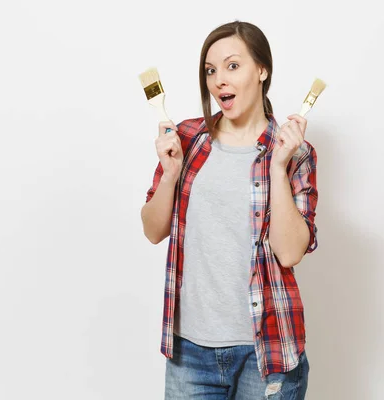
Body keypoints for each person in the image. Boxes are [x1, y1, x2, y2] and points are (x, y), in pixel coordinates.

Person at [141, 20, 319, 400]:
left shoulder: (295, 152)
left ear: (262, 70)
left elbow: (289, 252)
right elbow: (153, 230)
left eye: (232, 66)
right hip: (190, 352)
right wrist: (171, 175)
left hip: (268, 350)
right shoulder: (186, 139)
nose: (219, 79)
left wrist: (277, 166)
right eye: (210, 70)